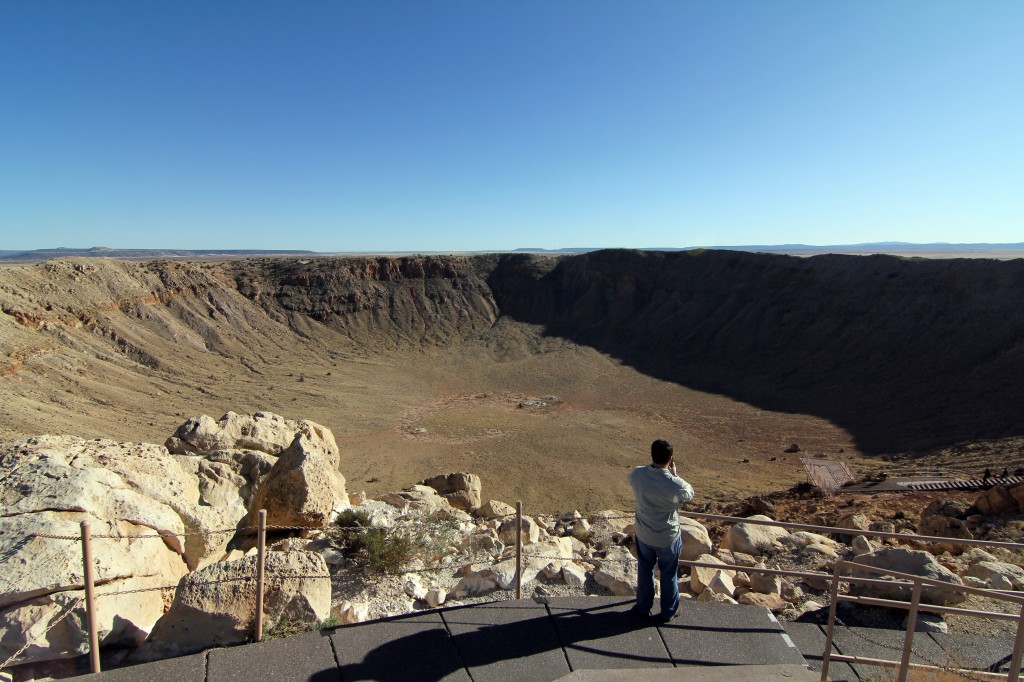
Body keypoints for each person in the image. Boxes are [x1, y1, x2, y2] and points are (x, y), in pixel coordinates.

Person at [628, 439, 695, 623]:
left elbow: (632, 478)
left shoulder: (637, 474)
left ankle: (643, 607)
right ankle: (668, 611)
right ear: (670, 459)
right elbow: (689, 492)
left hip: (644, 533)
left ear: (651, 455)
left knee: (644, 569)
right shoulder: (675, 484)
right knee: (669, 573)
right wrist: (674, 475)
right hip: (667, 536)